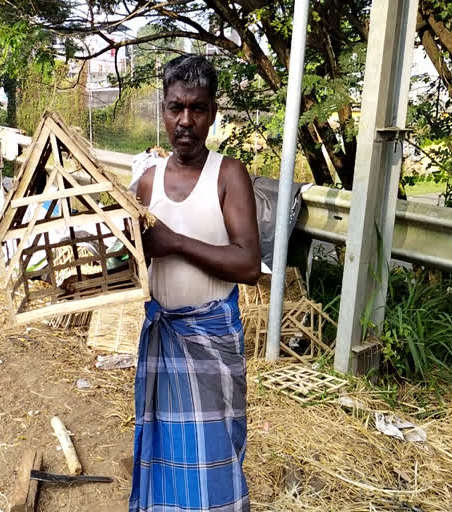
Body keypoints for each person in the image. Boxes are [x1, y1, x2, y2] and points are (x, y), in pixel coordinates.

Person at [130, 55, 261, 512]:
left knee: (214, 457)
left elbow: (248, 263)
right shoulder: (147, 183)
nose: (186, 121)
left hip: (210, 342)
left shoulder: (228, 175)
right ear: (162, 111)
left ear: (212, 113)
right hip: (164, 339)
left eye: (198, 109)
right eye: (175, 107)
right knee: (165, 454)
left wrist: (175, 243)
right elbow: (130, 255)